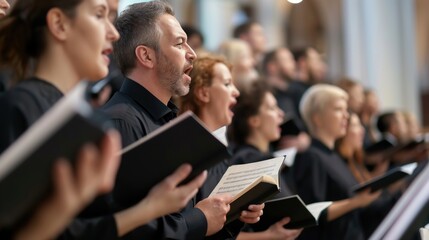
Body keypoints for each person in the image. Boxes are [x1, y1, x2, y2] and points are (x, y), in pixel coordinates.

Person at [0, 0, 207, 239]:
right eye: (99, 15)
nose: (113, 33)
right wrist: (149, 210)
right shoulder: (22, 105)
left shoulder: (82, 114)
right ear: (59, 24)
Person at [102, 1, 263, 239]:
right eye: (179, 43)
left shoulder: (172, 122)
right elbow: (132, 230)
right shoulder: (121, 122)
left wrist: (231, 212)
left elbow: (188, 217)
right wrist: (200, 219)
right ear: (146, 55)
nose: (193, 53)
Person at [291, 84, 381, 240]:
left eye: (346, 110)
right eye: (338, 109)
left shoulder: (333, 155)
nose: (346, 115)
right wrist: (356, 202)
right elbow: (312, 211)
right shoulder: (311, 157)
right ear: (317, 118)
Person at [227, 79, 303, 240]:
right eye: (271, 108)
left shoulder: (262, 158)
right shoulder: (249, 160)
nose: (281, 114)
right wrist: (269, 236)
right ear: (254, 120)